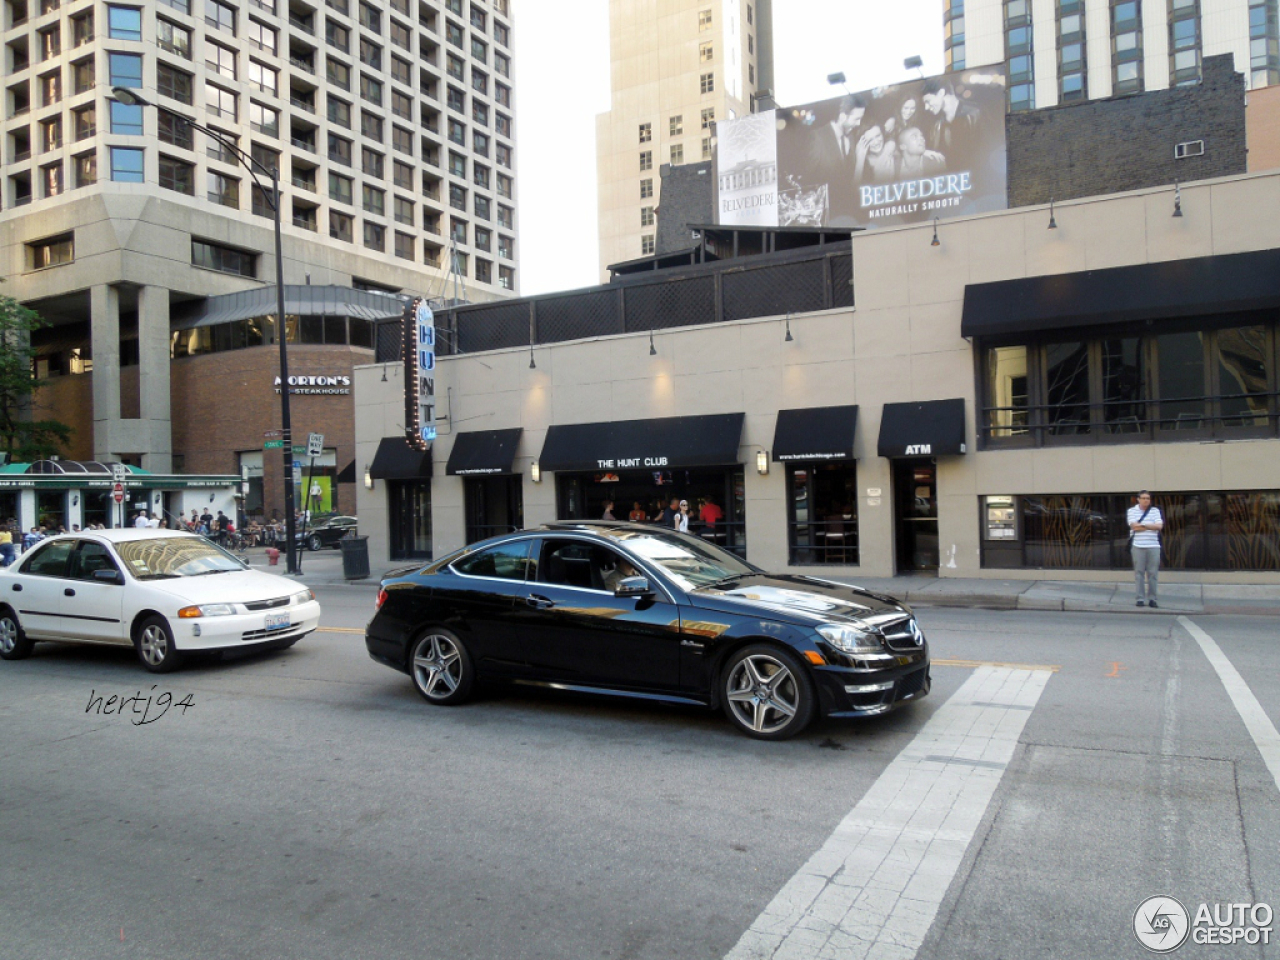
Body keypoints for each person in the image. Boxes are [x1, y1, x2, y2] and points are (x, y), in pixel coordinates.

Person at [921, 77, 982, 168]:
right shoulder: (937, 125)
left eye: (928, 101)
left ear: (941, 93)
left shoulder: (976, 114)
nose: (926, 107)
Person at [1128, 491, 1164, 608]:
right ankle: (1140, 599)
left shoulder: (1155, 511)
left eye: (1148, 498)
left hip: (1154, 546)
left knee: (1153, 574)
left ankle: (1152, 599)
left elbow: (1159, 526)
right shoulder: (1132, 511)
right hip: (1138, 546)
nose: (1146, 500)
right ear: (1138, 499)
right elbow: (1134, 526)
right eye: (1143, 498)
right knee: (1139, 573)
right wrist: (1150, 526)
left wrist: (1143, 525)